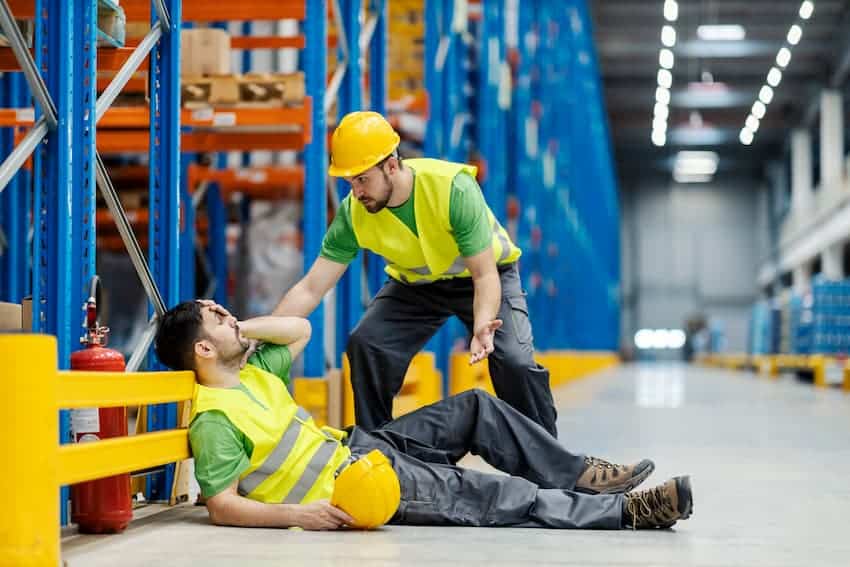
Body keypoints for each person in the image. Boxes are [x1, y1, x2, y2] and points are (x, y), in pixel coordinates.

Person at [154, 299, 694, 531]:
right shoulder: (214, 419)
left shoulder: (256, 372)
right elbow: (222, 506)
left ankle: (583, 476)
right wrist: (303, 515)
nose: (230, 318)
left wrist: (240, 327)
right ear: (203, 351)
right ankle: (627, 514)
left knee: (476, 407)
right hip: (356, 487)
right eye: (218, 319)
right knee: (484, 494)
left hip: (360, 447)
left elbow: (300, 330)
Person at [273, 111, 558, 436]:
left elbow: (484, 276)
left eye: (362, 179)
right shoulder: (354, 214)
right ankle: (378, 451)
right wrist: (266, 338)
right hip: (417, 287)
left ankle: (553, 463)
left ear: (391, 165)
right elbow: (311, 288)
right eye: (349, 181)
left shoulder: (452, 189)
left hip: (485, 278)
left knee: (515, 362)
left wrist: (482, 325)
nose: (356, 191)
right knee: (366, 343)